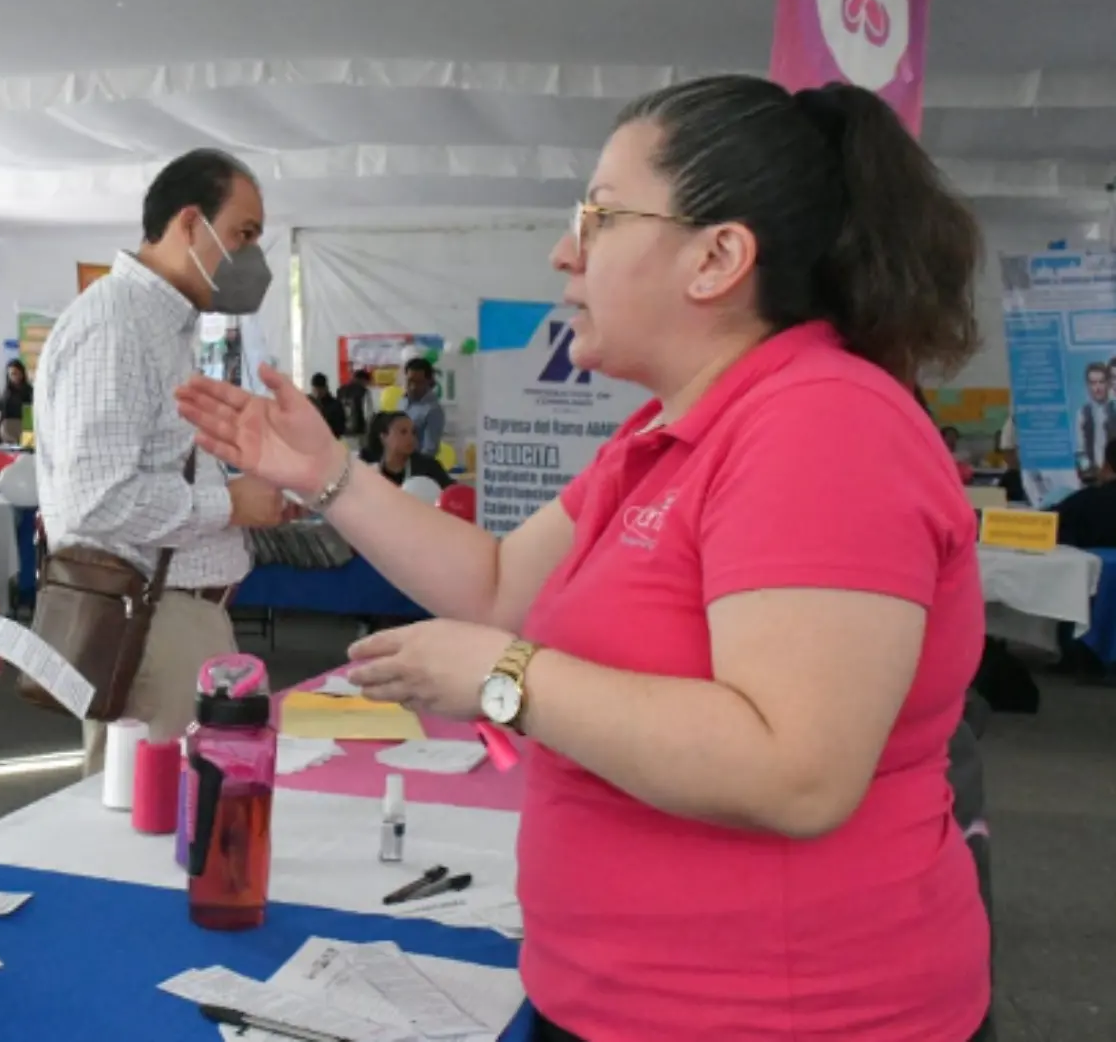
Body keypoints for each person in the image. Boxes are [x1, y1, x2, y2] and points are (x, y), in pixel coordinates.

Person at [178, 76, 992, 1041]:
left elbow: (795, 768)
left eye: (600, 218)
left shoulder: (822, 423)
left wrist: (503, 681)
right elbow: (498, 586)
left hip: (783, 1018)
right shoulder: (669, 429)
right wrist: (331, 477)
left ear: (718, 257)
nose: (566, 251)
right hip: (621, 999)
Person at [36, 147, 285, 772]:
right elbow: (98, 499)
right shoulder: (116, 325)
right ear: (190, 224)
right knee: (154, 823)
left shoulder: (159, 326)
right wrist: (230, 503)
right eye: (243, 234)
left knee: (186, 817)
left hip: (170, 616)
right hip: (149, 621)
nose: (253, 256)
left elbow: (145, 466)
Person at [360, 411, 451, 489]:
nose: (410, 438)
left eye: (413, 432)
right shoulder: (367, 469)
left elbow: (451, 492)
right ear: (384, 437)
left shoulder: (429, 468)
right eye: (403, 432)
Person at [399, 356, 444, 453]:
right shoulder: (402, 401)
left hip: (415, 465)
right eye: (410, 381)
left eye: (419, 382)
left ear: (428, 382)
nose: (413, 387)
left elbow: (429, 450)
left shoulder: (433, 410)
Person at [1081, 361, 1113, 475]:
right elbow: (1081, 450)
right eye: (1093, 383)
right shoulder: (1082, 414)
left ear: (1108, 383)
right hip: (1092, 475)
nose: (1097, 387)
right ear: (1088, 385)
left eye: (1101, 382)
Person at [308, 372, 346, 437]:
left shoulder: (335, 405)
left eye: (320, 390)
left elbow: (339, 428)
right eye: (315, 390)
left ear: (326, 388)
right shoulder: (307, 402)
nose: (317, 393)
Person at [337, 367, 372, 436]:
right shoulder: (364, 392)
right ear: (363, 380)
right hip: (359, 433)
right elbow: (368, 415)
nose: (366, 385)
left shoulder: (340, 391)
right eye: (366, 383)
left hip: (343, 433)